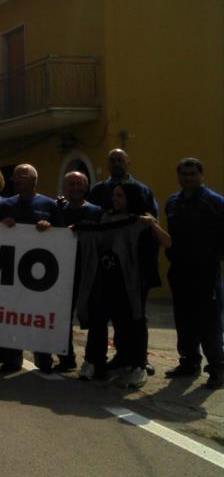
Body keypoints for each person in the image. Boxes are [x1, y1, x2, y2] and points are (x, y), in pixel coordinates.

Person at [74, 183, 170, 388]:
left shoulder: (140, 221)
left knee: (133, 322)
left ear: (130, 198)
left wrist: (153, 224)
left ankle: (138, 366)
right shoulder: (105, 218)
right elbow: (94, 238)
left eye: (120, 195)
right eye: (114, 195)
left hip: (130, 281)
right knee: (98, 320)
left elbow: (167, 242)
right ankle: (93, 362)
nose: (115, 199)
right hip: (104, 279)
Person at [88, 149, 160, 374]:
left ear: (128, 162)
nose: (117, 163)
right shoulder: (98, 190)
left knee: (136, 314)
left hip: (136, 266)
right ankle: (121, 356)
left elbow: (152, 223)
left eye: (121, 160)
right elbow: (93, 224)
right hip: (108, 267)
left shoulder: (142, 190)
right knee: (116, 314)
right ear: (107, 164)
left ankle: (140, 358)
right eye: (113, 160)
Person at [0, 164, 63, 373]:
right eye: (15, 177)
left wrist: (49, 228)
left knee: (39, 315)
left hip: (39, 273)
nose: (17, 180)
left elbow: (63, 236)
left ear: (34, 180)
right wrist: (1, 226)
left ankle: (44, 358)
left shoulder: (49, 205)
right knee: (9, 315)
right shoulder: (5, 205)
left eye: (22, 176)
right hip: (10, 270)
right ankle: (9, 358)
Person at [164, 158, 224, 389]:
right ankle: (189, 362)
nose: (188, 178)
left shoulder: (216, 203)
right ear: (179, 176)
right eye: (184, 174)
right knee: (184, 319)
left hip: (206, 273)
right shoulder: (172, 203)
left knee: (209, 322)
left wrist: (212, 258)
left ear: (201, 176)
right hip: (180, 272)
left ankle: (217, 368)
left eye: (192, 174)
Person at [54, 171, 103, 372]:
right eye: (71, 184)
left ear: (86, 187)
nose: (75, 187)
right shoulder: (57, 210)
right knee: (62, 317)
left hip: (89, 272)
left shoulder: (97, 212)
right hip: (62, 272)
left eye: (79, 184)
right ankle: (66, 359)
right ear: (65, 187)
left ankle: (94, 360)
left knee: (94, 318)